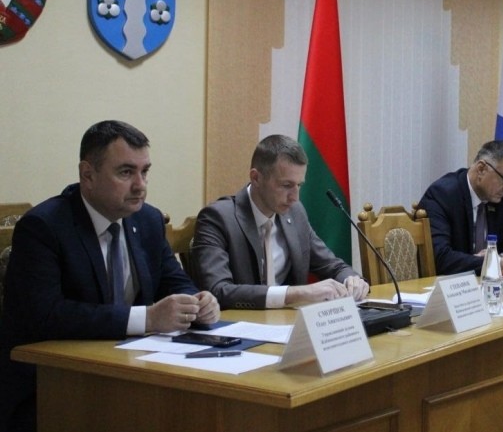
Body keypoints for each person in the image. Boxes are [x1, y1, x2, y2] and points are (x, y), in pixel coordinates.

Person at [0, 120, 220, 432]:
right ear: (87, 175)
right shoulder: (44, 227)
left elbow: (172, 280)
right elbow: (46, 315)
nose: (140, 185)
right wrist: (147, 318)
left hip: (132, 371)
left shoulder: (148, 219)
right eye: (126, 172)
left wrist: (197, 301)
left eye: (145, 171)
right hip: (53, 386)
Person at [190, 135, 369, 309]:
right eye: (286, 185)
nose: (295, 197)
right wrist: (294, 294)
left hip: (287, 323)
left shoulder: (295, 213)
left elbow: (331, 265)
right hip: (240, 324)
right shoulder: (217, 218)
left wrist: (351, 280)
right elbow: (218, 290)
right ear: (256, 178)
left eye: (299, 185)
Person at [418, 140, 503, 275]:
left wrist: (501, 258)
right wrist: (500, 263)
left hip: (488, 283)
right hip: (450, 284)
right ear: (481, 169)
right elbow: (440, 258)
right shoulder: (443, 195)